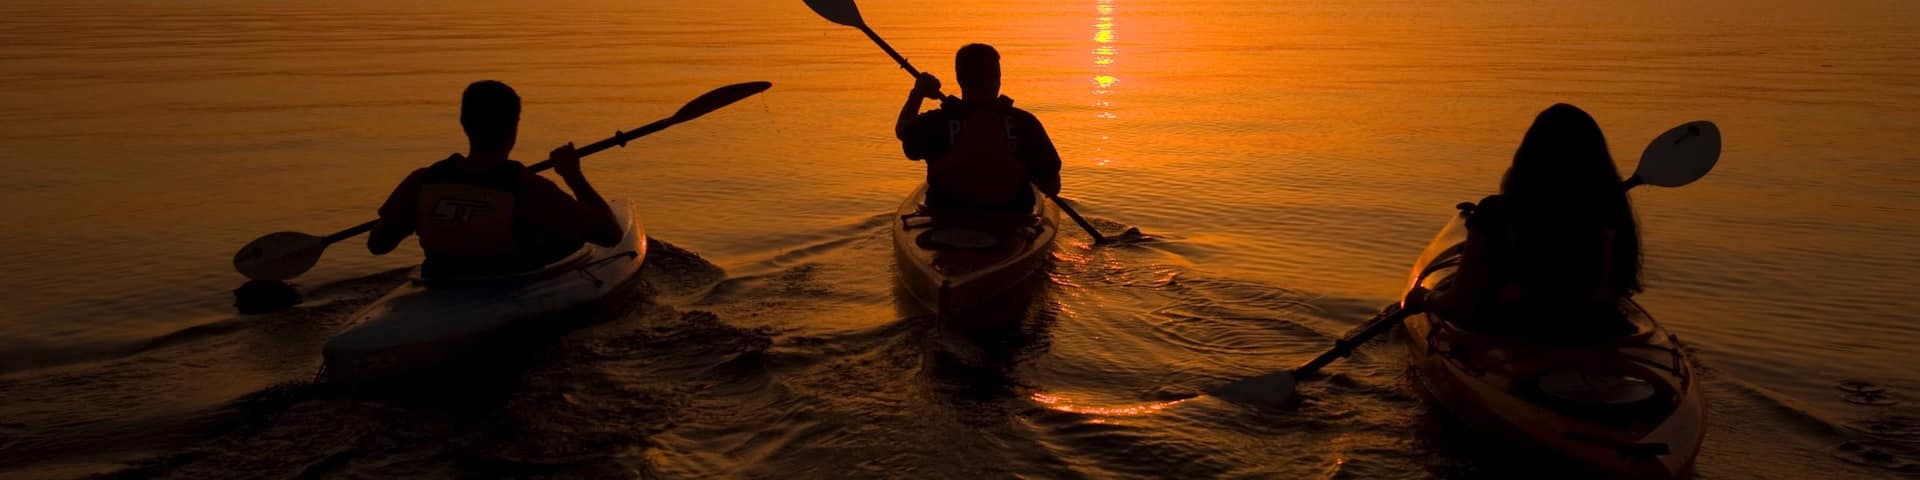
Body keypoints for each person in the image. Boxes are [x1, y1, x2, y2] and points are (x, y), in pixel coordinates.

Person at [1408, 103, 1643, 336]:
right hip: (1598, 335)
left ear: (1528, 158)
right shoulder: (1611, 213)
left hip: (1518, 336)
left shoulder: (1497, 214)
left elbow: (1462, 307)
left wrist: (1425, 298)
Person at [368, 80, 623, 278]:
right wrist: (572, 175)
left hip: (440, 281)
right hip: (505, 283)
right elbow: (609, 235)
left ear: (463, 122)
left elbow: (378, 244)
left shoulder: (422, 182)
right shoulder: (529, 189)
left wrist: (413, 216)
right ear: (514, 126)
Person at [895, 43, 1063, 212]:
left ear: (959, 78)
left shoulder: (935, 123)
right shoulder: (1025, 123)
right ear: (997, 78)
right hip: (1012, 220)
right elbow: (1052, 186)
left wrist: (918, 93)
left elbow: (902, 131)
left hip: (946, 219)